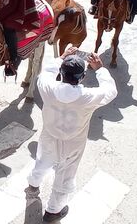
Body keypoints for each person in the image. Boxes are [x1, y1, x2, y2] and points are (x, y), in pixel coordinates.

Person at [25, 49, 117, 223]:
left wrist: (61, 57)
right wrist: (100, 69)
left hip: (50, 136)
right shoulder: (89, 97)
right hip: (73, 143)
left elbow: (45, 73)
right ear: (82, 77)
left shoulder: (48, 88)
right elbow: (111, 91)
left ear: (61, 73)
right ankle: (53, 211)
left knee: (42, 161)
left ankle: (33, 184)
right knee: (65, 174)